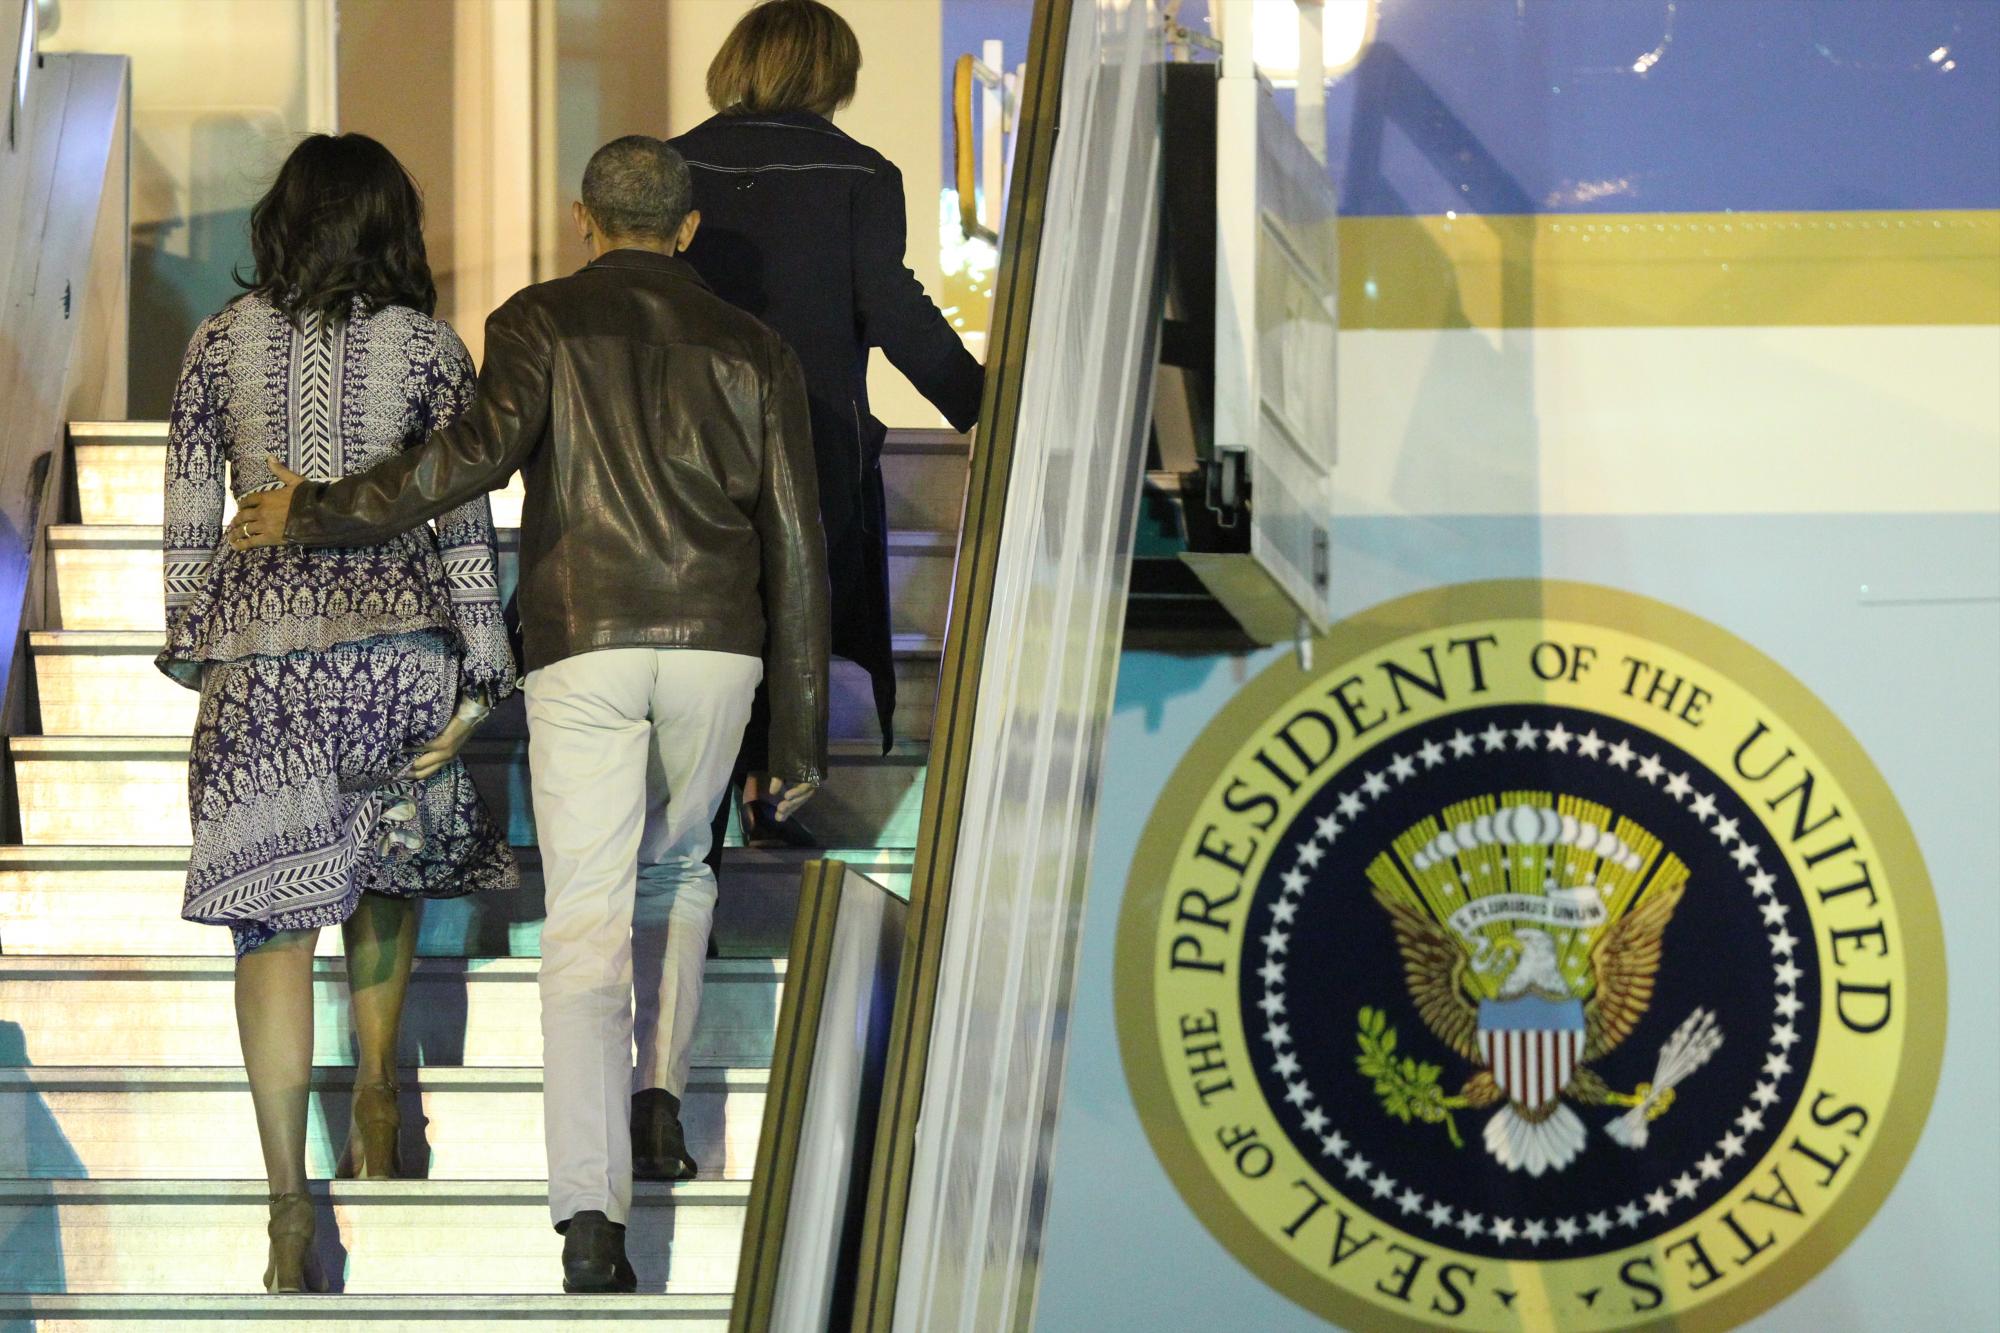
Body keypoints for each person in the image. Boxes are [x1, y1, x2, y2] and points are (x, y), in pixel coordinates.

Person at [229, 135, 830, 1294]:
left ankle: (592, 1223)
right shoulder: (757, 348)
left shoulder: (539, 322)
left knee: (588, 921)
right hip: (719, 647)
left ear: (581, 219)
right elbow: (799, 549)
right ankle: (657, 1105)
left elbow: (468, 459)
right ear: (689, 230)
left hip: (585, 639)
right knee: (683, 874)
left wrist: (317, 509)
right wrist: (796, 738)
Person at [159, 133, 517, 1293]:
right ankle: (374, 1086)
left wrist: (191, 643)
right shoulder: (428, 348)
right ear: (388, 224)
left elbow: (181, 512)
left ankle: (284, 1203)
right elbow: (462, 522)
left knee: (269, 928)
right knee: (383, 873)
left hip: (259, 659)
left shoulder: (216, 343)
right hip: (397, 644)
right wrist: (481, 668)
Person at [672, 0, 983, 847]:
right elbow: (890, 305)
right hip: (807, 439)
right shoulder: (860, 175)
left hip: (677, 443)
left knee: (703, 614)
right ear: (831, 74)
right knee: (789, 606)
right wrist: (983, 407)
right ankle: (770, 793)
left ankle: (689, 812)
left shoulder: (666, 167)